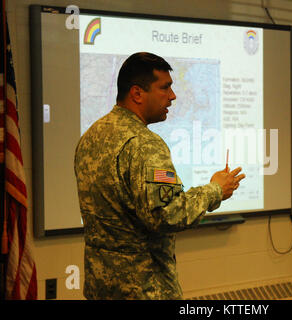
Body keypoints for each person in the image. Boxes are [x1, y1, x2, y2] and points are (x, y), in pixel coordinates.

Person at [74, 52, 245, 300]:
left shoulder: (91, 135)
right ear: (137, 93)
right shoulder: (145, 144)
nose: (173, 96)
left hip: (101, 287)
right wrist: (215, 190)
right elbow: (167, 215)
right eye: (165, 88)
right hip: (144, 288)